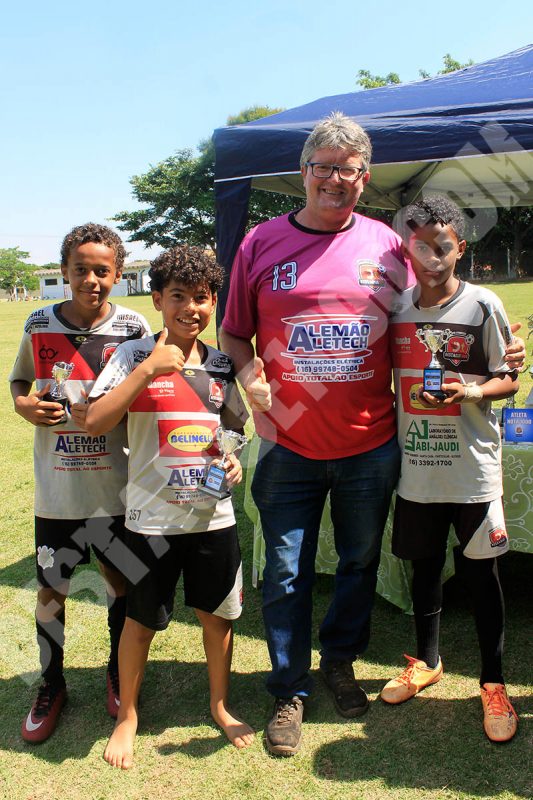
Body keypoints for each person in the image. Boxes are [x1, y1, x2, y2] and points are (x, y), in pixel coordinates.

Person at [219, 112, 525, 756]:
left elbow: (433, 315)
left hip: (371, 445)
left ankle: (340, 662)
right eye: (324, 168)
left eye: (350, 171)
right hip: (287, 444)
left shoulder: (388, 245)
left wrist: (498, 355)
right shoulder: (260, 243)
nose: (335, 180)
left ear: (365, 179)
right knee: (286, 570)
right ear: (304, 171)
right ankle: (288, 689)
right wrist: (248, 373)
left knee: (358, 563)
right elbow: (233, 333)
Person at [86, 244, 254, 770]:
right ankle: (127, 716)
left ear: (213, 302)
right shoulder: (131, 356)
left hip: (212, 518)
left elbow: (233, 430)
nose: (191, 308)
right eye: (178, 296)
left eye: (201, 298)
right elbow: (94, 421)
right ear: (157, 299)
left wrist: (233, 461)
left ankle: (219, 706)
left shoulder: (221, 364)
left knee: (217, 618)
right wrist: (149, 369)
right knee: (139, 623)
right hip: (149, 521)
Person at [382, 195, 519, 743]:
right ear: (408, 250)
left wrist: (473, 391)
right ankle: (427, 661)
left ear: (460, 248)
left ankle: (493, 683)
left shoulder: (483, 304)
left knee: (482, 577)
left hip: (472, 471)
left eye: (443, 247)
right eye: (421, 247)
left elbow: (510, 376)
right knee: (423, 569)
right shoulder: (395, 309)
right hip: (416, 468)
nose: (433, 258)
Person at [10, 223, 151, 743]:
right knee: (52, 590)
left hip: (118, 490)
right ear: (65, 271)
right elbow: (20, 381)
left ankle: (117, 670)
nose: (91, 280)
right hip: (59, 493)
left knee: (120, 583)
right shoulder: (39, 322)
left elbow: (148, 394)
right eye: (81, 270)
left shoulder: (134, 326)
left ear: (118, 273)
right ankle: (51, 683)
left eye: (102, 271)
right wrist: (24, 404)